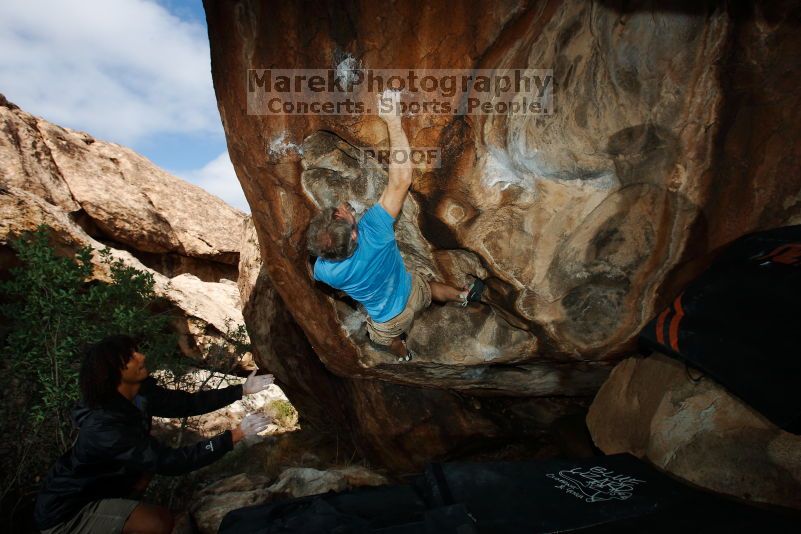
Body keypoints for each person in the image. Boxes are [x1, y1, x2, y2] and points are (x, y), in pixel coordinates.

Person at [34, 335, 275, 534]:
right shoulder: (105, 427)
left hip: (102, 491)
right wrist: (236, 434)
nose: (142, 357)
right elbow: (170, 462)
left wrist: (241, 390)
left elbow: (184, 404)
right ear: (114, 372)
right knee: (158, 522)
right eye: (131, 356)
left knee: (145, 473)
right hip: (68, 514)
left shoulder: (139, 393)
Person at [306, 92, 484, 361]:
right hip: (411, 290)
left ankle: (402, 354)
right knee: (430, 287)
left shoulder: (324, 271)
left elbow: (320, 269)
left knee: (385, 341)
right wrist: (392, 119)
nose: (341, 208)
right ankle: (462, 295)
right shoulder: (375, 230)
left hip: (388, 320)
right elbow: (401, 180)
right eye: (341, 214)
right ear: (355, 233)